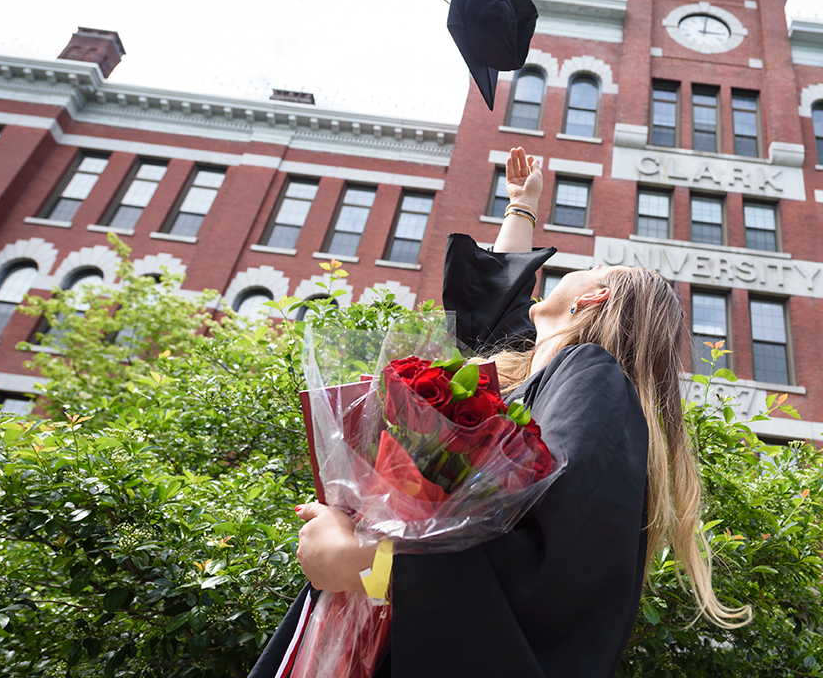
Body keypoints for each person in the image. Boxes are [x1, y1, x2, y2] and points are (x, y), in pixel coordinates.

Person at [250, 146, 749, 678]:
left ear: (594, 298)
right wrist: (521, 207)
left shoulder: (592, 375)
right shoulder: (537, 380)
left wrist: (372, 566)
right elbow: (488, 323)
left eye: (593, 267)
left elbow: (556, 563)